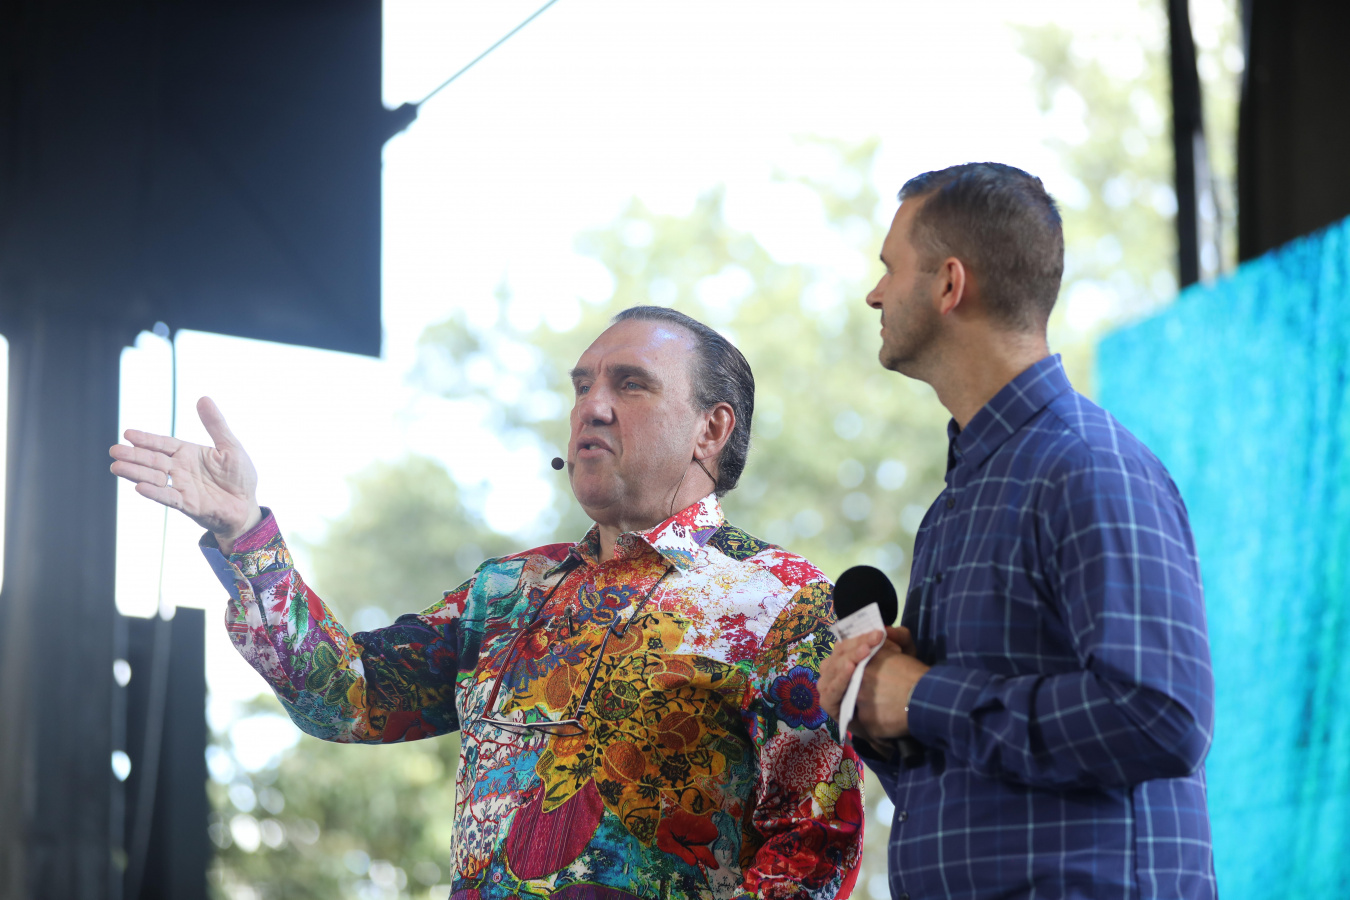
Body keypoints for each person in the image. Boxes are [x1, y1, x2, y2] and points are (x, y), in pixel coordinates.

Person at [110, 306, 864, 900]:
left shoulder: (781, 599)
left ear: (712, 428)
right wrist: (245, 534)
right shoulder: (505, 593)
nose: (593, 407)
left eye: (630, 384)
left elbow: (814, 843)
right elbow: (345, 697)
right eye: (582, 385)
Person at [818, 163, 1216, 900]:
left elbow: (1162, 719)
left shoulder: (1087, 465)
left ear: (949, 284)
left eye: (890, 268)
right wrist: (877, 712)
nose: (874, 293)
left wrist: (923, 697)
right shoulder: (954, 505)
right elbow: (977, 778)